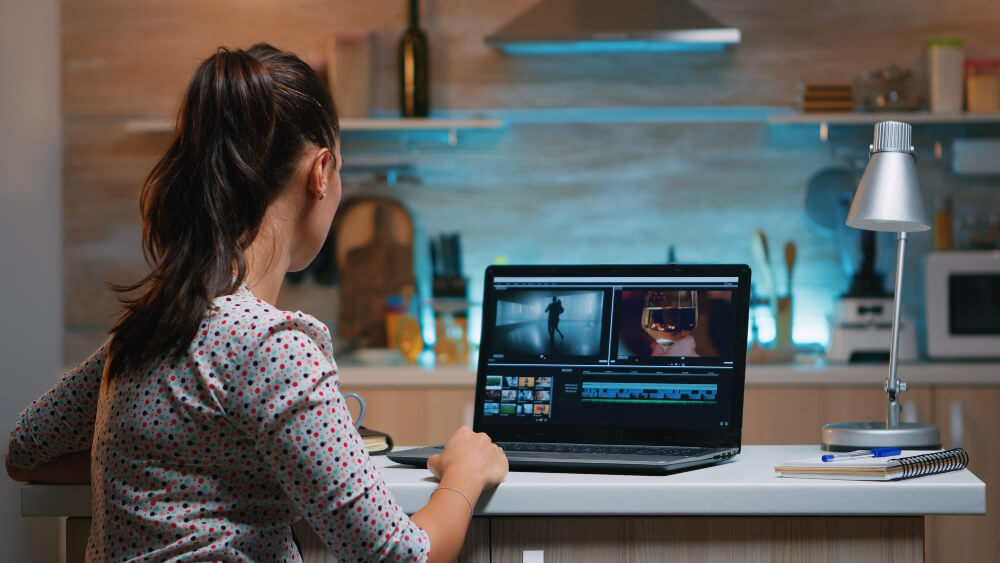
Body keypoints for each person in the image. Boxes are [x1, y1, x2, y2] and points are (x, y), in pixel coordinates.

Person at [5, 43, 507, 563]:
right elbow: (401, 556)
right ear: (320, 171)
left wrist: (180, 471)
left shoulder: (146, 328)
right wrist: (465, 471)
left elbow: (26, 453)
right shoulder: (272, 346)